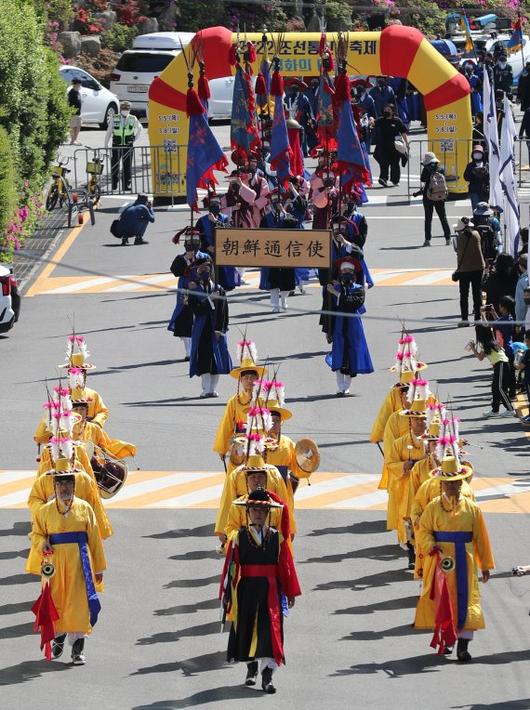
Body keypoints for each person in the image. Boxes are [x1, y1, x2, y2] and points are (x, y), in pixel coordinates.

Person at [221, 488, 301, 694]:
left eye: (261, 511)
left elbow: (285, 566)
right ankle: (251, 668)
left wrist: (290, 591)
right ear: (248, 512)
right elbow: (231, 566)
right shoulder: (238, 537)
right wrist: (228, 593)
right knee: (246, 628)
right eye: (254, 510)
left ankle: (267, 676)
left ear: (268, 514)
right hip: (246, 589)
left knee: (270, 631)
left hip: (270, 590)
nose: (257, 513)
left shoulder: (277, 538)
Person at [414, 456, 494, 661]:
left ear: (461, 483)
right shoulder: (432, 507)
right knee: (443, 599)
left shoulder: (472, 508)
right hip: (440, 559)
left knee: (466, 601)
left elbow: (481, 538)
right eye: (447, 484)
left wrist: (484, 565)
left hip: (465, 561)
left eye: (455, 483)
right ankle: (447, 640)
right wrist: (430, 545)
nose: (451, 487)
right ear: (441, 484)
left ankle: (463, 646)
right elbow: (423, 531)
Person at [26, 466, 106, 664]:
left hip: (79, 561)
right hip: (54, 563)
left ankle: (77, 650)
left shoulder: (85, 508)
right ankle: (59, 637)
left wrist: (99, 567)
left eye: (68, 482)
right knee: (56, 601)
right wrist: (41, 542)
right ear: (54, 486)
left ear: (74, 484)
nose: (64, 487)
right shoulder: (44, 511)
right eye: (60, 483)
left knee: (79, 604)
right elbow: (36, 534)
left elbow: (94, 538)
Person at [215, 455, 292, 545]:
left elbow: (283, 524)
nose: (257, 480)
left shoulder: (276, 504)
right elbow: (231, 523)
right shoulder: (238, 504)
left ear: (265, 478)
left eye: (260, 477)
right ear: (247, 480)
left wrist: (284, 537)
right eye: (253, 477)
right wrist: (231, 535)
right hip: (244, 545)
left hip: (271, 546)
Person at [325, 258, 374, 395]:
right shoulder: (333, 287)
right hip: (339, 324)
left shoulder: (359, 289)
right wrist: (328, 329)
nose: (346, 273)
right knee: (339, 353)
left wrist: (337, 294)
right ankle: (341, 386)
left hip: (354, 325)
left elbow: (353, 303)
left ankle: (347, 385)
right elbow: (328, 310)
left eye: (349, 271)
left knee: (353, 352)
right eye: (344, 270)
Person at [213, 344, 266, 470]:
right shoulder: (234, 401)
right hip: (240, 444)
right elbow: (226, 425)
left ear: (257, 379)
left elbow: (274, 420)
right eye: (245, 378)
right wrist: (223, 447)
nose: (249, 381)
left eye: (252, 377)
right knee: (236, 477)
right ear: (241, 381)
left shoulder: (264, 400)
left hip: (260, 444)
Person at [187, 257, 231, 398]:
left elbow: (224, 312)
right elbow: (196, 310)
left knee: (217, 361)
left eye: (207, 269)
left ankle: (213, 388)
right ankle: (206, 388)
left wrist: (221, 330)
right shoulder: (194, 290)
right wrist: (208, 299)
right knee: (204, 359)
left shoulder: (219, 289)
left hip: (216, 329)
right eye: (201, 269)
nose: (204, 272)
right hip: (202, 329)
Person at [168, 227, 210, 361]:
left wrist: (199, 280)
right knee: (185, 321)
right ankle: (188, 351)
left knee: (200, 319)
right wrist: (187, 259)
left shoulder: (204, 257)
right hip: (185, 293)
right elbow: (175, 271)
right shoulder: (180, 258)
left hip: (200, 291)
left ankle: (198, 348)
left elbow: (210, 273)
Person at [468, 324, 516, 418]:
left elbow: (480, 357)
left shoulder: (485, 344)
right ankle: (495, 410)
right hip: (501, 365)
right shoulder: (491, 341)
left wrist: (473, 348)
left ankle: (510, 409)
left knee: (500, 388)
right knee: (495, 388)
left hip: (501, 364)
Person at [196, 198, 240, 292]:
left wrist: (215, 221)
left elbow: (229, 231)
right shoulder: (201, 221)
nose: (215, 207)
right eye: (213, 205)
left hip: (222, 250)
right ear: (209, 207)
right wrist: (208, 246)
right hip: (208, 251)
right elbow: (199, 236)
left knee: (224, 282)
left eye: (217, 205)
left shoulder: (225, 218)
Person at [414, 152, 451, 247]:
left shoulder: (426, 170)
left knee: (428, 219)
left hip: (428, 196)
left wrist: (426, 169)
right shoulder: (441, 169)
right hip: (440, 197)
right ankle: (448, 238)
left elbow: (423, 179)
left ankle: (427, 240)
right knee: (443, 218)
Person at [453, 218, 485, 327]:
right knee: (477, 294)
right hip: (478, 267)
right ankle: (478, 318)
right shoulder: (476, 234)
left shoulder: (459, 238)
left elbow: (458, 253)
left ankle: (465, 319)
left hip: (464, 269)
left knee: (464, 295)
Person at [104, 100, 142, 192]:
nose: (125, 110)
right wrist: (106, 144)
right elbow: (109, 132)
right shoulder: (115, 118)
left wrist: (134, 139)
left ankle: (126, 185)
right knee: (115, 166)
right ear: (121, 109)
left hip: (128, 147)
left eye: (127, 109)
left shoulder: (133, 118)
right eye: (124, 108)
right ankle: (114, 185)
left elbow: (140, 128)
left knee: (127, 166)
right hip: (116, 146)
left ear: (129, 109)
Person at [373, 104, 408, 187]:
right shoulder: (381, 120)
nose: (386, 111)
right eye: (385, 110)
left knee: (395, 164)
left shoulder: (397, 121)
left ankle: (395, 180)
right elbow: (373, 124)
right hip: (383, 146)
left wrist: (406, 143)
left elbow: (403, 132)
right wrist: (371, 120)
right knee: (383, 164)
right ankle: (383, 179)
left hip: (395, 147)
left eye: (388, 110)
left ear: (393, 111)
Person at [463, 145, 489, 211]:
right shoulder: (470, 165)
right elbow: (466, 177)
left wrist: (485, 173)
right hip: (474, 191)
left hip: (484, 190)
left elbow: (490, 178)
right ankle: (476, 221)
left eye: (479, 153)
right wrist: (473, 173)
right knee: (476, 209)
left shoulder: (486, 164)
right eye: (476, 153)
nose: (477, 155)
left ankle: (484, 221)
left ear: (482, 154)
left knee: (485, 210)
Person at [515, 330, 530, 424]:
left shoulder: (528, 352)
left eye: (525, 339)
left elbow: (520, 366)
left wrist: (516, 360)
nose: (524, 341)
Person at [67, 78, 83, 146]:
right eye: (78, 84)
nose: (80, 85)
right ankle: (72, 140)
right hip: (73, 112)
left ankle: (75, 140)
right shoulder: (71, 93)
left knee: (78, 126)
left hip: (78, 112)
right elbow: (69, 103)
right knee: (73, 126)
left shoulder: (78, 92)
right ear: (75, 84)